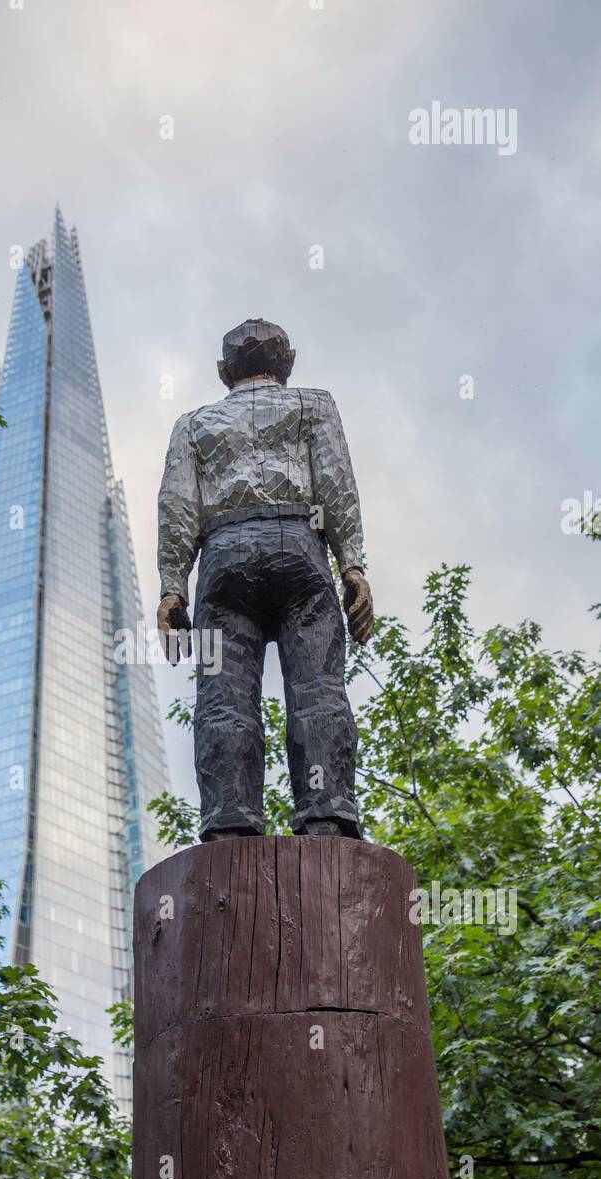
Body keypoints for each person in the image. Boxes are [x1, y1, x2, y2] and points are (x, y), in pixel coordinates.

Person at [156, 318, 374, 841]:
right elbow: (336, 483)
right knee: (319, 688)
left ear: (222, 372)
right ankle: (327, 818)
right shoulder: (314, 404)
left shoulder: (192, 425)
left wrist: (171, 586)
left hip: (223, 560)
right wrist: (354, 566)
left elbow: (177, 505)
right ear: (289, 361)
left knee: (222, 697)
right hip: (300, 549)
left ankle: (230, 826)